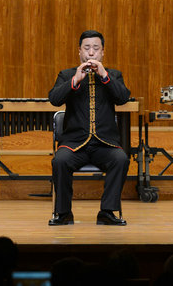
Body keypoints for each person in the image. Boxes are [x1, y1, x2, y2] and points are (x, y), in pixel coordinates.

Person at [48, 30, 131, 226]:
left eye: (96, 48)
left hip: (105, 143)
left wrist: (104, 75)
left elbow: (123, 97)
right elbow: (54, 99)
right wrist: (75, 80)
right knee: (60, 160)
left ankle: (107, 211)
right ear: (79, 52)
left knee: (120, 159)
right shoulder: (67, 74)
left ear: (102, 52)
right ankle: (63, 213)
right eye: (87, 48)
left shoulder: (113, 75)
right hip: (74, 144)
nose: (91, 53)